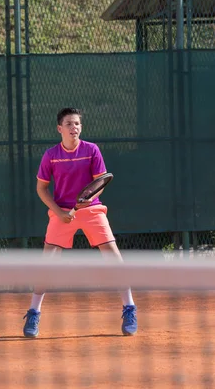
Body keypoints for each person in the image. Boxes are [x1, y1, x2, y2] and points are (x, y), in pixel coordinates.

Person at [22, 107, 137, 338]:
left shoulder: (92, 150)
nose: (74, 128)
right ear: (59, 129)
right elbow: (41, 188)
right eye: (69, 124)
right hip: (61, 211)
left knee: (113, 255)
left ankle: (129, 308)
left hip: (91, 209)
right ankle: (34, 311)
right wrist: (58, 211)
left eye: (77, 124)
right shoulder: (51, 155)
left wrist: (87, 201)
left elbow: (99, 183)